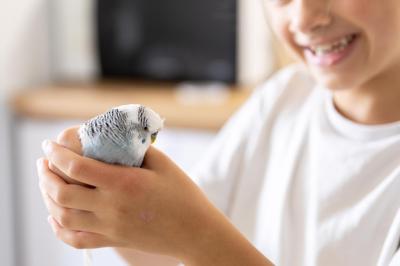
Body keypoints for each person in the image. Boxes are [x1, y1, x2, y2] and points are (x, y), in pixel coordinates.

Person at [36, 0, 400, 265]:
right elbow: (165, 252)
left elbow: (194, 239)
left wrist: (196, 236)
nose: (304, 18)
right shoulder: (281, 100)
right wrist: (111, 209)